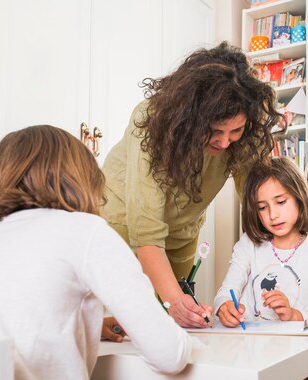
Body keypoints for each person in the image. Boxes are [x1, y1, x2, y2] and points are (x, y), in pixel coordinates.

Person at [0, 125, 191, 380]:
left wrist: (91, 326)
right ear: (82, 176)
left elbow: (19, 319)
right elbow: (169, 356)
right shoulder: (86, 231)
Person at [102, 41, 282, 329]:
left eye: (235, 131)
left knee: (175, 321)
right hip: (123, 225)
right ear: (190, 120)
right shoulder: (150, 120)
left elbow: (257, 199)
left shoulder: (249, 127)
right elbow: (145, 232)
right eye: (214, 132)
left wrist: (285, 258)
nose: (225, 143)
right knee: (136, 322)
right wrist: (173, 301)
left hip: (183, 230)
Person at [206, 157, 308, 380]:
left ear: (299, 198)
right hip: (246, 353)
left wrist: (293, 316)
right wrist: (224, 306)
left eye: (281, 202)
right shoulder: (248, 245)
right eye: (262, 208)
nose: (273, 215)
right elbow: (226, 291)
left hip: (301, 356)